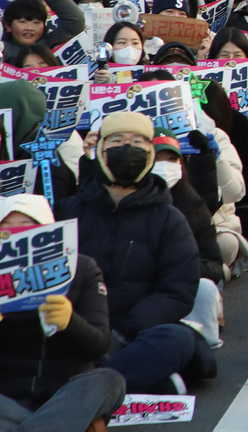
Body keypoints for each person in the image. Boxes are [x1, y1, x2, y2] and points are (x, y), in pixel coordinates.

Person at [56, 112, 211, 395]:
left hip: (134, 334)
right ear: (100, 150)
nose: (128, 150)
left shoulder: (169, 218)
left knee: (176, 338)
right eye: (117, 141)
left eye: (139, 143)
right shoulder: (67, 211)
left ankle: (84, 389)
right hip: (75, 329)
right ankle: (128, 381)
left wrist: (123, 332)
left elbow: (178, 291)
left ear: (150, 154)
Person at [0, 194, 127, 432]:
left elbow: (99, 345)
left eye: (27, 227)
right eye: (6, 229)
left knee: (110, 380)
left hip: (64, 394)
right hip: (5, 396)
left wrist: (70, 323)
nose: (16, 234)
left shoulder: (83, 268)